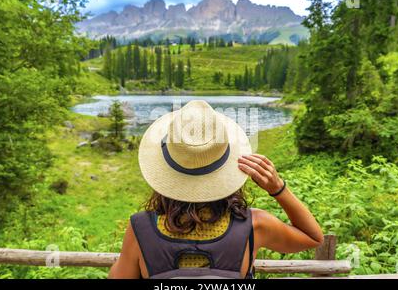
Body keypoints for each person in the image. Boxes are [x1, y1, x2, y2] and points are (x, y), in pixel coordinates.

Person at [109, 100, 323, 279]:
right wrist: (278, 189)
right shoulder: (253, 225)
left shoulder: (141, 228)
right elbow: (313, 237)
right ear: (227, 163)